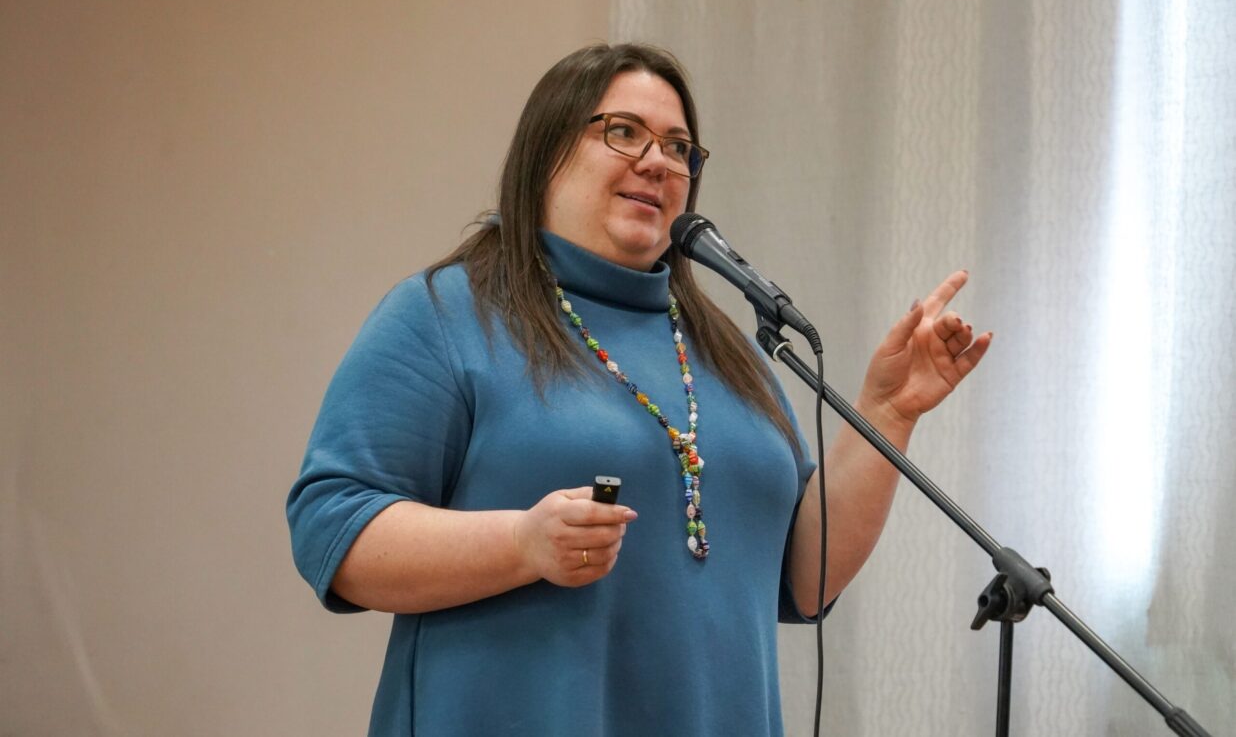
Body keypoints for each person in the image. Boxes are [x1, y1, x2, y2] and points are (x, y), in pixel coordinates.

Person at [287, 43, 990, 736]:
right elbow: (332, 531)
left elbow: (804, 579)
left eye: (679, 147)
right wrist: (521, 543)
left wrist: (888, 413)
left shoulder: (728, 352)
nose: (658, 162)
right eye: (623, 132)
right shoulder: (448, 314)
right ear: (546, 151)